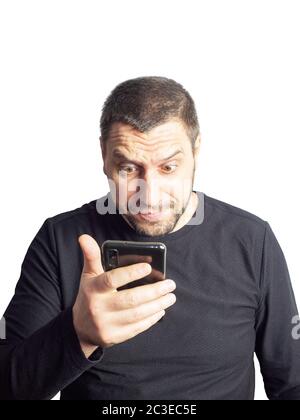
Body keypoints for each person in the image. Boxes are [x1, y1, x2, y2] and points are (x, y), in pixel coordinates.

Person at [0, 76, 299, 400]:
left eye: (168, 167)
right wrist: (78, 334)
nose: (149, 194)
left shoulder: (252, 241)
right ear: (104, 155)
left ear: (196, 152)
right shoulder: (60, 240)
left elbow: (292, 383)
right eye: (128, 168)